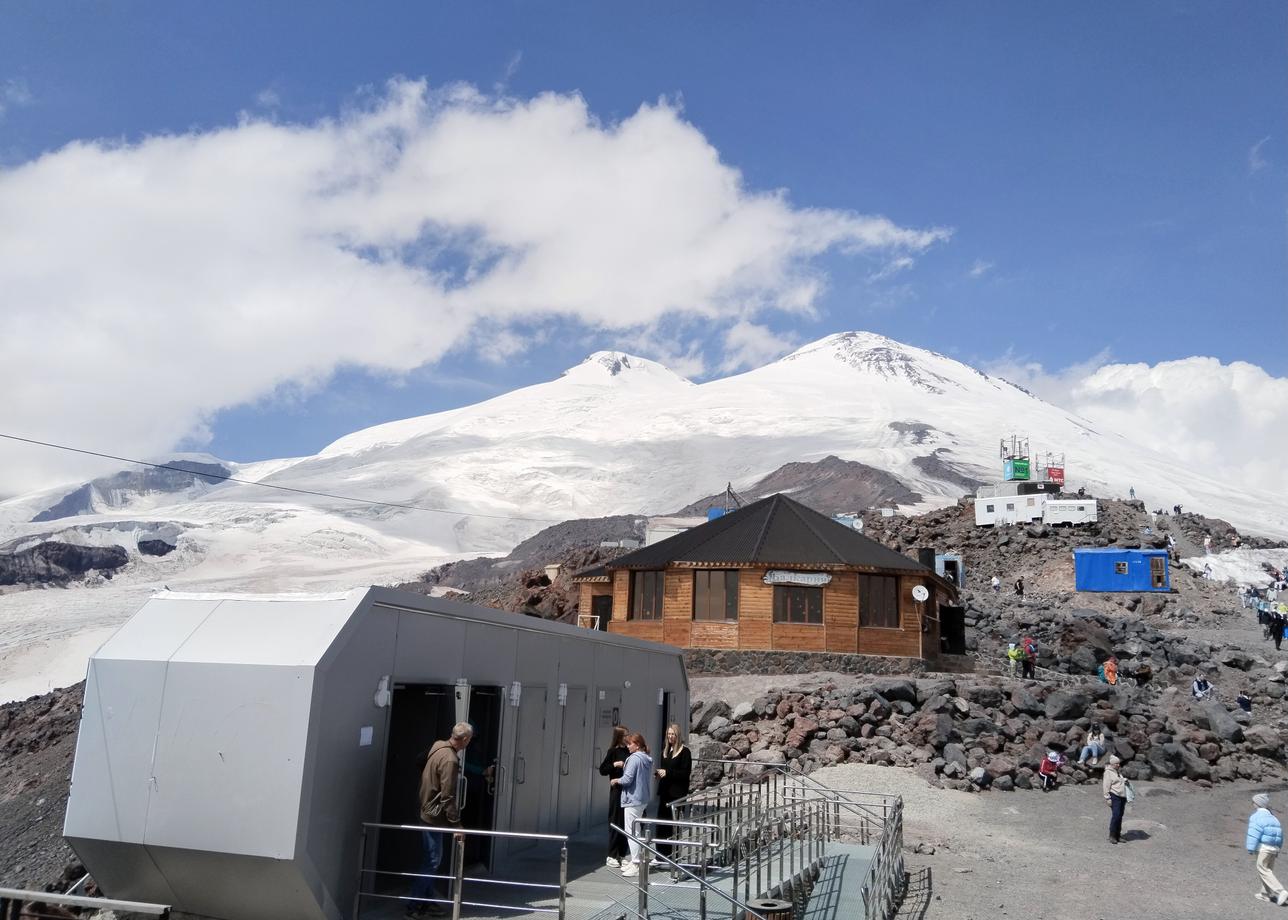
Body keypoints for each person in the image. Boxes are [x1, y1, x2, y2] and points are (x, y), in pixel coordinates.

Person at [413, 721, 473, 917]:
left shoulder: (438, 745)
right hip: (433, 816)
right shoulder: (450, 760)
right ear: (464, 739)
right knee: (431, 861)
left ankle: (426, 903)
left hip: (426, 809)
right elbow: (448, 796)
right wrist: (457, 825)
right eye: (469, 739)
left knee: (430, 859)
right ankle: (414, 907)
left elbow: (419, 760)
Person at [612, 732, 654, 877]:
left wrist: (616, 780)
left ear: (636, 745)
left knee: (631, 832)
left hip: (632, 799)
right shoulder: (646, 758)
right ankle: (636, 861)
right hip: (642, 799)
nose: (628, 746)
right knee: (636, 831)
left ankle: (636, 862)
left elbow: (628, 779)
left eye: (630, 744)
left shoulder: (634, 759)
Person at [654, 723, 693, 859]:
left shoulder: (684, 752)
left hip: (676, 794)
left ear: (677, 735)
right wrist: (658, 774)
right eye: (668, 734)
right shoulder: (665, 751)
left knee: (673, 825)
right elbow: (665, 770)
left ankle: (672, 854)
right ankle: (660, 854)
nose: (670, 736)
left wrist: (668, 773)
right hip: (665, 793)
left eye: (672, 734)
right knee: (661, 824)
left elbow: (684, 773)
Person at [598, 725, 630, 868]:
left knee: (625, 822)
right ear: (619, 737)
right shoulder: (613, 752)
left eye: (628, 735)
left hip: (628, 790)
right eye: (625, 736)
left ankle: (622, 854)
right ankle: (612, 855)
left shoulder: (629, 751)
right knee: (615, 821)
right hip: (616, 790)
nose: (627, 738)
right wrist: (614, 764)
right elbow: (603, 770)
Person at [1247, 793, 1288, 904]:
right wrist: (1278, 848)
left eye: (1253, 802)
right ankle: (1265, 894)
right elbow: (1280, 835)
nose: (1252, 804)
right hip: (1274, 849)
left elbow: (1253, 833)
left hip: (1263, 848)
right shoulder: (1273, 818)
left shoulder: (1256, 817)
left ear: (1257, 804)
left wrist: (1250, 848)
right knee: (1267, 870)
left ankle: (1280, 891)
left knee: (1263, 869)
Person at [1103, 755, 1128, 845]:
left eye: (1119, 763)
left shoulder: (1117, 772)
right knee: (1116, 815)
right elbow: (1106, 786)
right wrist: (1107, 798)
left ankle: (1118, 834)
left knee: (1120, 816)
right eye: (1116, 763)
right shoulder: (1108, 772)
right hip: (1115, 796)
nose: (1118, 765)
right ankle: (1112, 835)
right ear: (1112, 764)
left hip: (1122, 796)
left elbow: (1118, 781)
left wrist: (1124, 780)